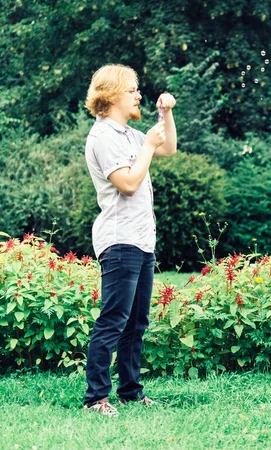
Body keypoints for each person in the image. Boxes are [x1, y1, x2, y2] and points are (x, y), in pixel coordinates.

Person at [83, 64, 177, 415]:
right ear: (111, 95)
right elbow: (128, 183)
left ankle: (130, 391)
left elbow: (168, 148)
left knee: (136, 323)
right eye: (132, 90)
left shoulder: (129, 135)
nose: (139, 94)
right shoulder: (103, 136)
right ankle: (96, 399)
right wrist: (149, 146)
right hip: (119, 240)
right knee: (113, 320)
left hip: (141, 240)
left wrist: (164, 115)